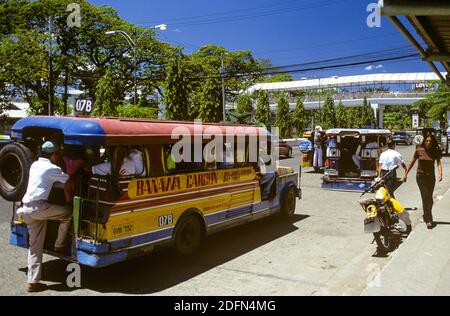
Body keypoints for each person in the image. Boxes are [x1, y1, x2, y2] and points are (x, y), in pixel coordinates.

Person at [16, 141, 70, 292]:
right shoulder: (52, 168)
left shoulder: (34, 165)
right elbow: (68, 180)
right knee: (68, 214)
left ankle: (32, 282)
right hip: (39, 208)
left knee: (35, 246)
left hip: (26, 208)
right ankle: (59, 244)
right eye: (57, 154)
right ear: (53, 155)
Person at [403, 135, 443, 229]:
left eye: (430, 141)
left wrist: (440, 173)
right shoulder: (419, 150)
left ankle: (426, 215)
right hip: (421, 177)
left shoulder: (435, 151)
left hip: (431, 177)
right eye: (427, 141)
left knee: (429, 198)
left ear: (433, 142)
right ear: (424, 141)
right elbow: (412, 161)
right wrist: (406, 174)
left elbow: (438, 163)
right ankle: (429, 219)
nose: (428, 143)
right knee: (425, 196)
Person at [378, 141, 411, 234]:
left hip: (384, 173)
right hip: (391, 174)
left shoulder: (383, 154)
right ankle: (393, 208)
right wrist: (406, 174)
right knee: (390, 192)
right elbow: (403, 164)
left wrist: (379, 176)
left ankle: (389, 207)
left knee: (385, 191)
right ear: (393, 145)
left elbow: (380, 166)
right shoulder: (397, 154)